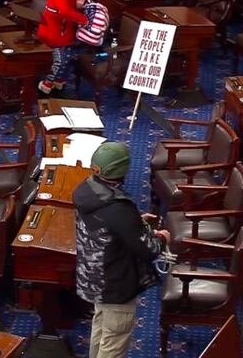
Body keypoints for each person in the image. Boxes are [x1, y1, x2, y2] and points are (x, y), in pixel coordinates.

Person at [72, 141, 171, 358]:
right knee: (114, 340)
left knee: (101, 328)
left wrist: (135, 223)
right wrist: (163, 237)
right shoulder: (117, 208)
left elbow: (106, 227)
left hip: (94, 276)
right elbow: (149, 250)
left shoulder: (85, 189)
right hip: (115, 284)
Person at [37, 0, 89, 94]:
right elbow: (64, 9)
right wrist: (84, 19)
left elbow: (65, 3)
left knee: (66, 56)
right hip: (55, 28)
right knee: (61, 59)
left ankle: (57, 83)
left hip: (62, 27)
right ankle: (46, 85)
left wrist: (76, 5)